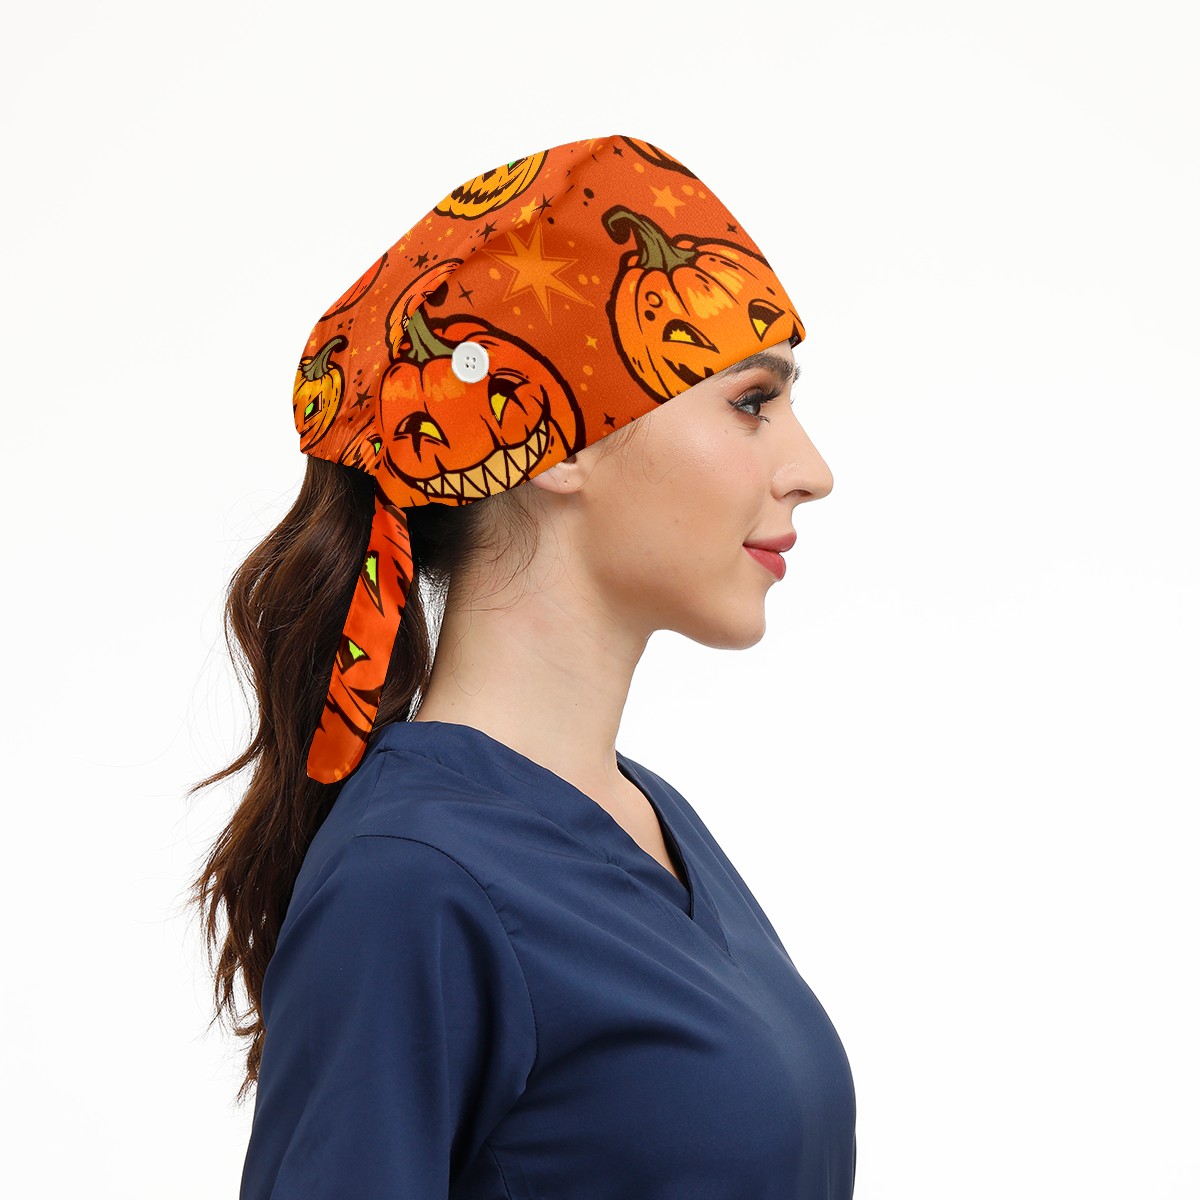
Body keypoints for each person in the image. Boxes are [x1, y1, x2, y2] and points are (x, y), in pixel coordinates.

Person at [189, 133, 857, 1198]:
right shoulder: (412, 879)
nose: (810, 469)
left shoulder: (647, 819)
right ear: (555, 439)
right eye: (750, 402)